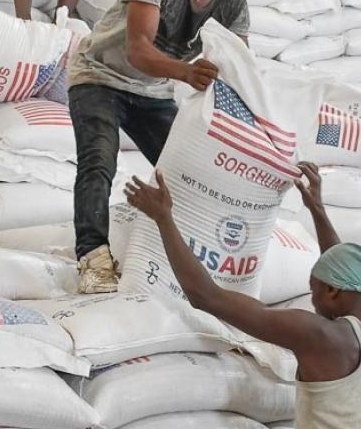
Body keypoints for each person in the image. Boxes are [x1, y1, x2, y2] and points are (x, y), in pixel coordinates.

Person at [69, 0, 253, 293]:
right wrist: (186, 72)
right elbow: (138, 49)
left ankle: (183, 257)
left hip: (152, 91)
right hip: (99, 76)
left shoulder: (233, 5)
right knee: (99, 159)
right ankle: (93, 257)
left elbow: (240, 71)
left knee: (193, 171)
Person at [125, 163, 361, 429]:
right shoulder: (343, 326)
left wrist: (163, 218)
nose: (314, 303)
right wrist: (316, 209)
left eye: (314, 289)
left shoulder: (320, 336)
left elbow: (205, 296)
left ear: (333, 290)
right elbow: (344, 267)